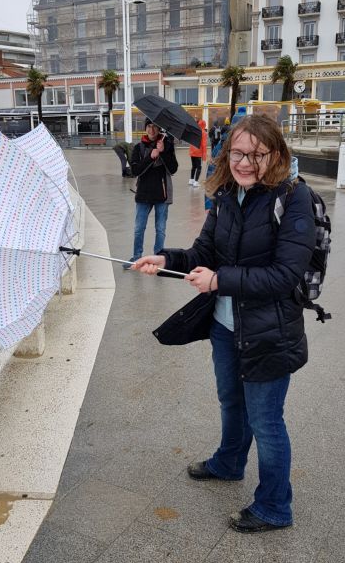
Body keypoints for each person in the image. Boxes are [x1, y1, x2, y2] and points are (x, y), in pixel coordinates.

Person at [132, 115, 316, 533]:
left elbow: (285, 275)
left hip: (270, 332)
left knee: (267, 422)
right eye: (237, 153)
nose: (245, 162)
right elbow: (204, 251)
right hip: (224, 326)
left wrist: (219, 280)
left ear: (276, 155)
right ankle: (229, 462)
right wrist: (165, 260)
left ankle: (274, 506)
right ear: (225, 153)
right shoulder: (226, 195)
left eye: (256, 154)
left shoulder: (294, 197)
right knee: (231, 402)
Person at [123, 119, 178, 268]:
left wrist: (163, 152)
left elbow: (173, 169)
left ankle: (158, 258)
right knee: (138, 228)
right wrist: (151, 156)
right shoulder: (139, 147)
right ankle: (136, 257)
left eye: (155, 126)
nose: (152, 130)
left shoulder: (167, 145)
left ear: (159, 129)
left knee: (160, 229)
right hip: (143, 194)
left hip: (162, 194)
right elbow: (135, 170)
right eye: (149, 126)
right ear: (145, 128)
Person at [188, 119, 207, 187]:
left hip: (192, 151)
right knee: (199, 167)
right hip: (198, 152)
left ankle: (191, 180)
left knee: (193, 166)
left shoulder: (195, 131)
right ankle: (196, 182)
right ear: (204, 125)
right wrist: (204, 155)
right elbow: (204, 144)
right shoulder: (203, 133)